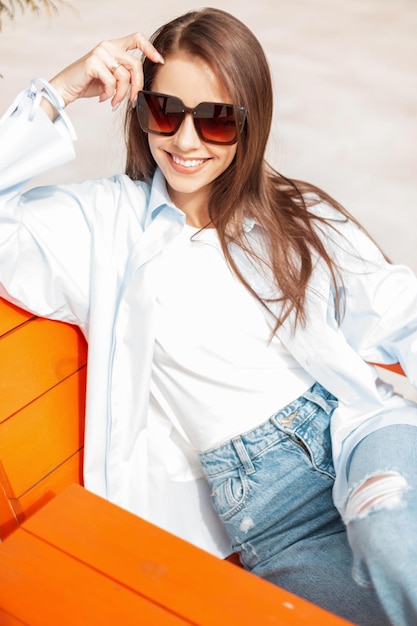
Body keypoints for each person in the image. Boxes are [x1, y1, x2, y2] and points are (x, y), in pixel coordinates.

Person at [1, 7, 417, 625]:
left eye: (217, 120)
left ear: (250, 123)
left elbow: (393, 309)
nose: (186, 142)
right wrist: (62, 89)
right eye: (166, 111)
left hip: (357, 437)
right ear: (141, 111)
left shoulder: (292, 215)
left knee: (394, 545)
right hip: (271, 522)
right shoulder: (104, 227)